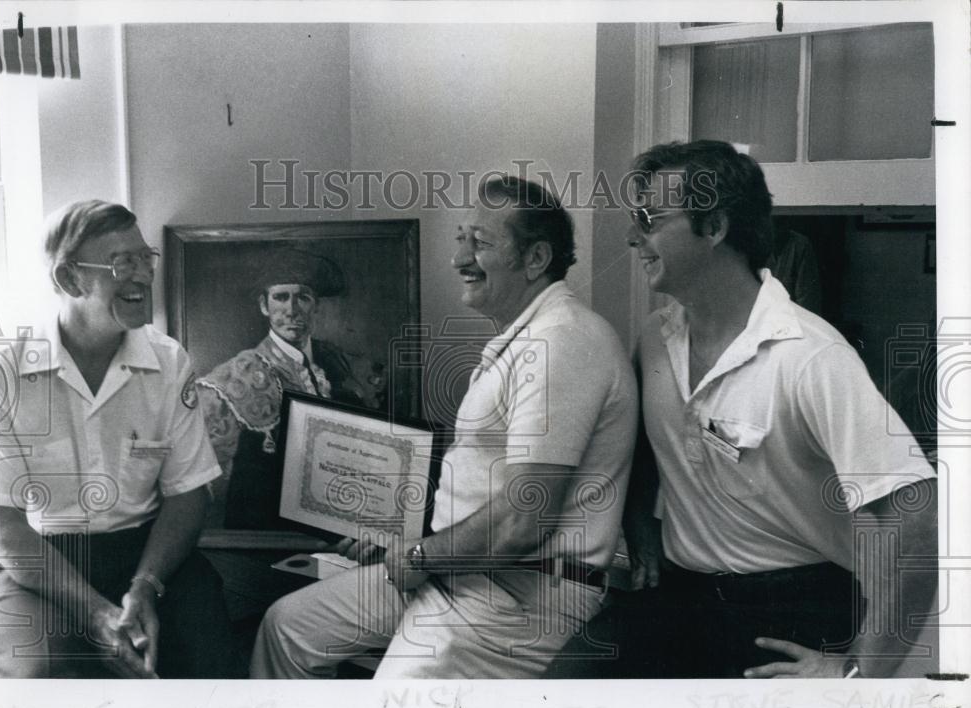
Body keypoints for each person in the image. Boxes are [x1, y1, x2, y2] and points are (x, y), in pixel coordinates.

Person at [250, 176, 638, 679]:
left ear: (537, 259)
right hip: (465, 573)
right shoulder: (529, 336)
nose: (458, 258)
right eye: (461, 238)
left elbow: (526, 520)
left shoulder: (562, 342)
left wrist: (419, 554)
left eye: (479, 242)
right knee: (287, 627)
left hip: (519, 598)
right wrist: (396, 535)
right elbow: (479, 485)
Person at [621, 140, 937, 679]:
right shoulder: (654, 339)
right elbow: (650, 442)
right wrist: (639, 520)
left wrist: (859, 673)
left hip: (795, 612)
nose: (634, 237)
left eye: (650, 218)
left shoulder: (811, 356)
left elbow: (920, 518)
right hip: (680, 601)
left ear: (715, 226)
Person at [0, 200, 238, 678]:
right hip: (45, 563)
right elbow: (5, 526)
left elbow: (188, 496)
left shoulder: (169, 362)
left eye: (144, 258)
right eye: (122, 262)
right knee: (25, 675)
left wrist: (144, 586)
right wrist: (96, 612)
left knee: (214, 664)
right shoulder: (5, 370)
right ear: (69, 280)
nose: (143, 276)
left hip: (150, 554)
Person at [196, 250, 378, 529]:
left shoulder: (339, 365)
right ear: (264, 306)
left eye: (302, 297)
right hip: (265, 532)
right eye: (281, 297)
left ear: (315, 305)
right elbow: (215, 486)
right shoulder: (232, 377)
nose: (292, 310)